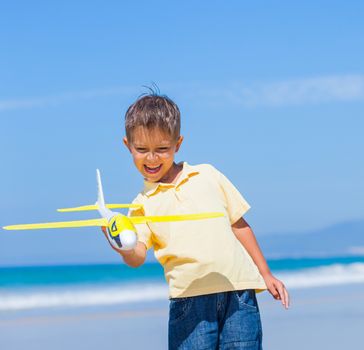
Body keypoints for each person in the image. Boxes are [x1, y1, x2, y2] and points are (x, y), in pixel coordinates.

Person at [102, 92, 290, 349]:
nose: (152, 158)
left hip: (239, 291)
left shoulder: (208, 175)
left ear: (177, 144)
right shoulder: (141, 204)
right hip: (189, 300)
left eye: (162, 149)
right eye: (142, 150)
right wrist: (122, 245)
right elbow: (137, 256)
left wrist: (265, 273)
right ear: (128, 146)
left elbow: (239, 225)